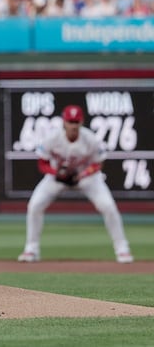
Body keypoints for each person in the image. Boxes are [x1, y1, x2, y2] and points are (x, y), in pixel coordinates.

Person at [17, 105, 134, 264]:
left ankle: (123, 250)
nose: (73, 125)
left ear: (81, 122)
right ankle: (31, 249)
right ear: (64, 122)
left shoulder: (90, 138)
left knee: (108, 206)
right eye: (70, 121)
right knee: (34, 205)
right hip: (58, 178)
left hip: (86, 178)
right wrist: (56, 173)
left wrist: (82, 174)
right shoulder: (52, 138)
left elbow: (98, 164)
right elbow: (42, 163)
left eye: (76, 121)